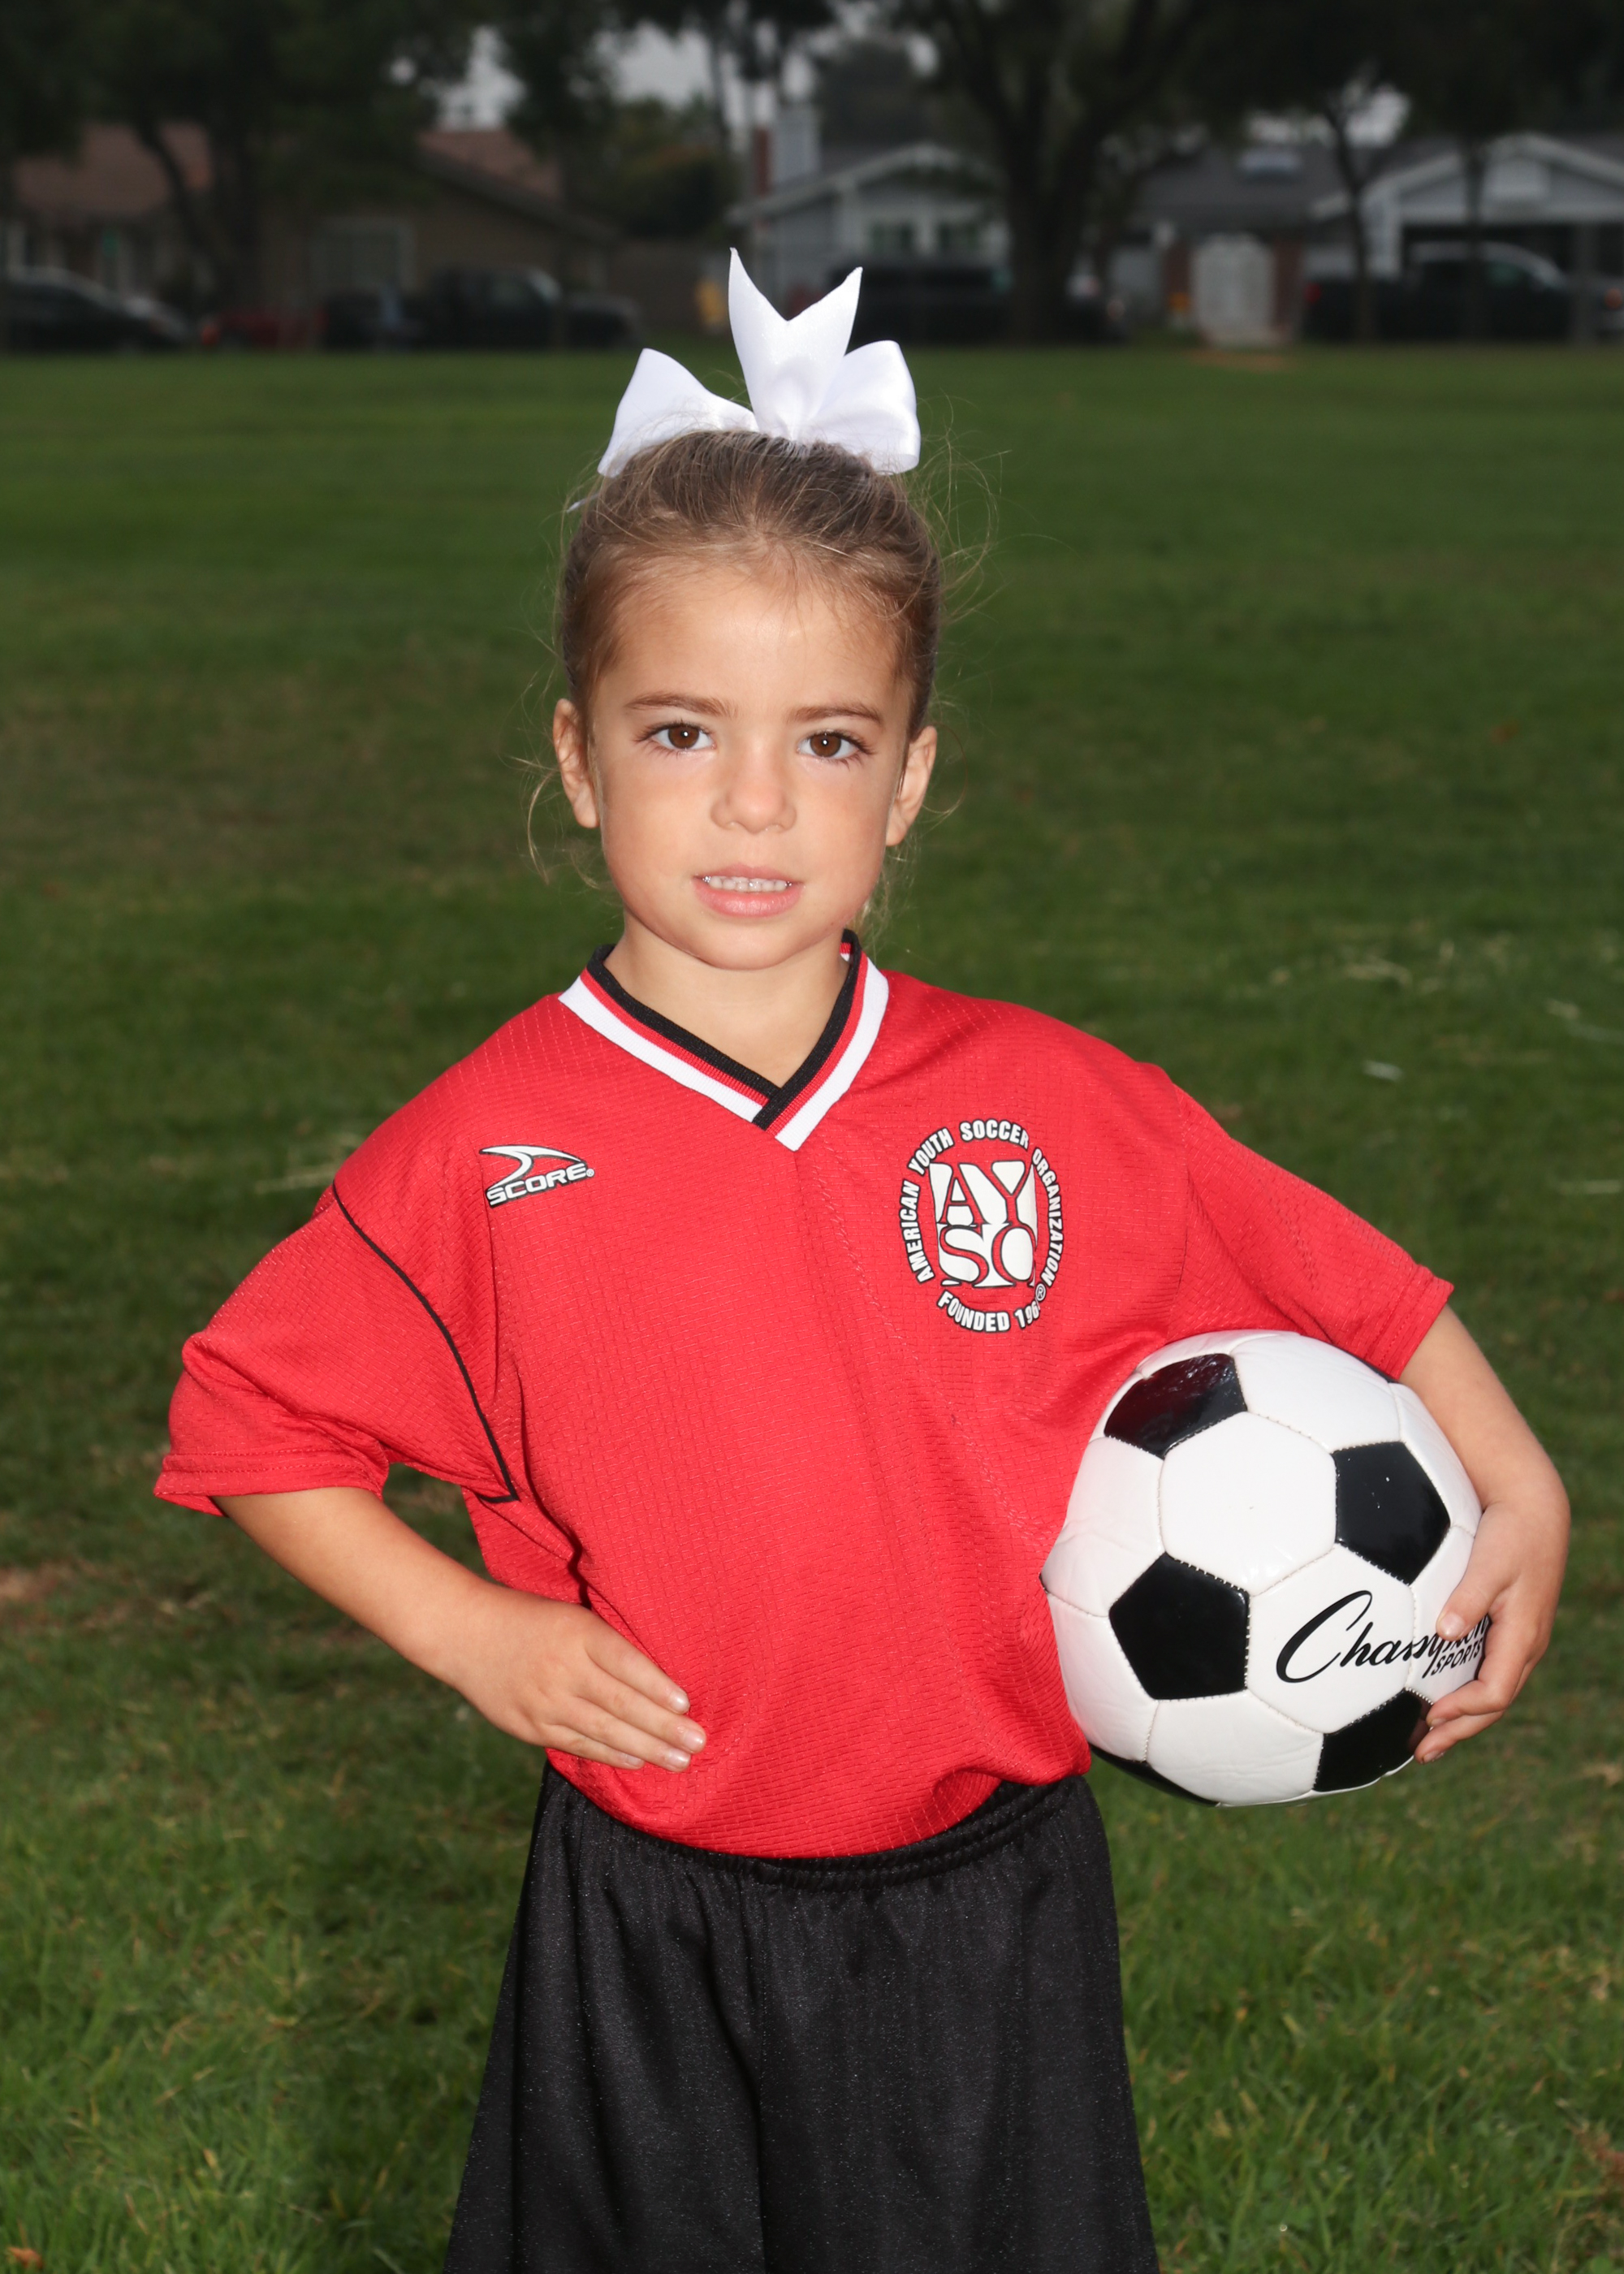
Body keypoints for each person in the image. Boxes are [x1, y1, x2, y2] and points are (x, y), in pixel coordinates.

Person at [153, 257, 1570, 2273]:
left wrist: (1513, 1477)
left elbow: (1349, 1283)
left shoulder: (1044, 1100)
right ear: (576, 756)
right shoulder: (485, 1144)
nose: (753, 800)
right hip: (649, 1900)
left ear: (906, 778)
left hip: (986, 1904)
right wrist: (474, 1634)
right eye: (681, 730)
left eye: (825, 741)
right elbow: (253, 1419)